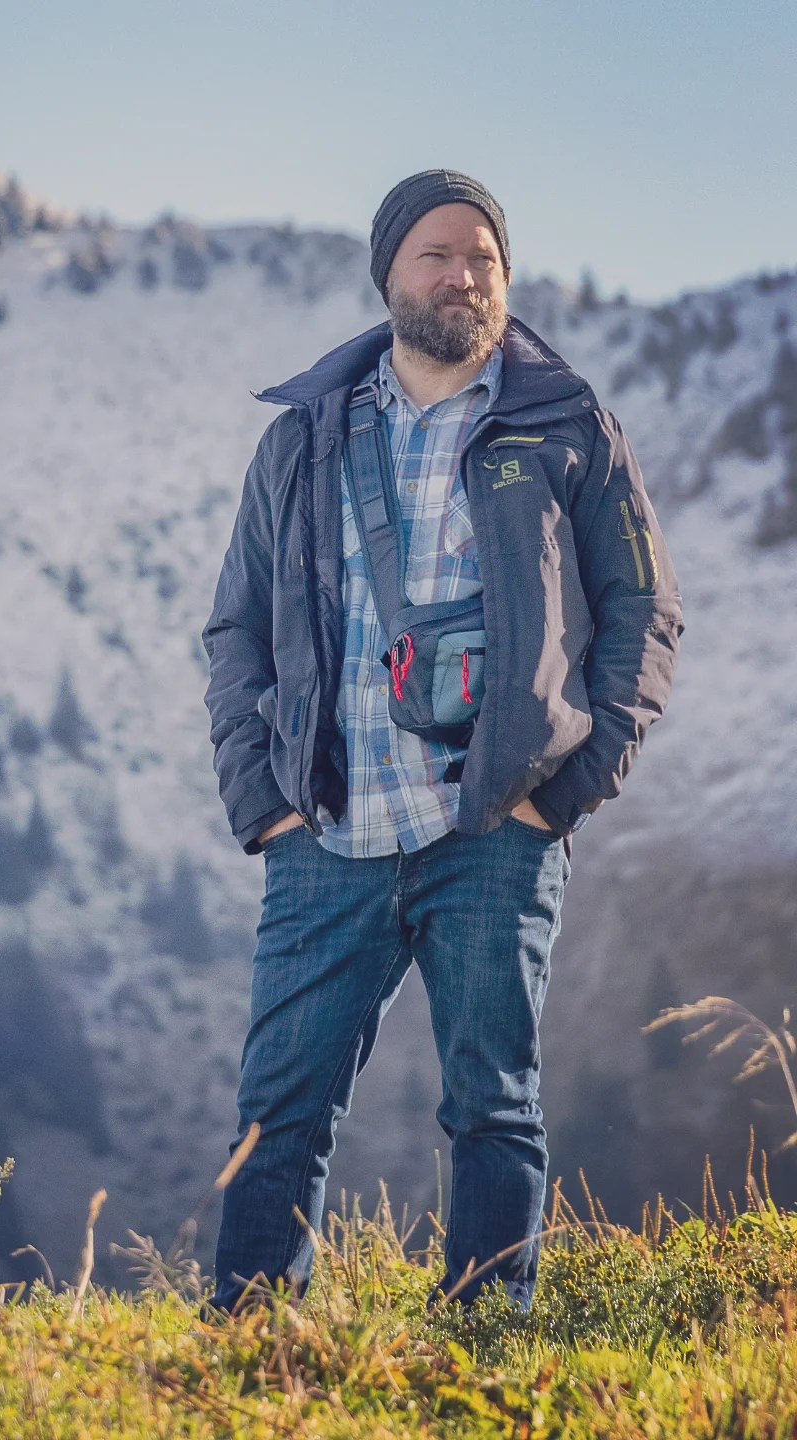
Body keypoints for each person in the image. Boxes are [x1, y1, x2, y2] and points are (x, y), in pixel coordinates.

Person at [200, 169, 683, 1316]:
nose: (464, 274)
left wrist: (564, 793)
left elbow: (645, 616)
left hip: (495, 828)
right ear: (389, 275)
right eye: (437, 253)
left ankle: (483, 1337)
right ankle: (248, 1343)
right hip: (327, 826)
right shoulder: (304, 442)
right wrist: (259, 798)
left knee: (493, 1102)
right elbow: (236, 628)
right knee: (280, 1109)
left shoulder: (571, 430)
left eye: (484, 257)